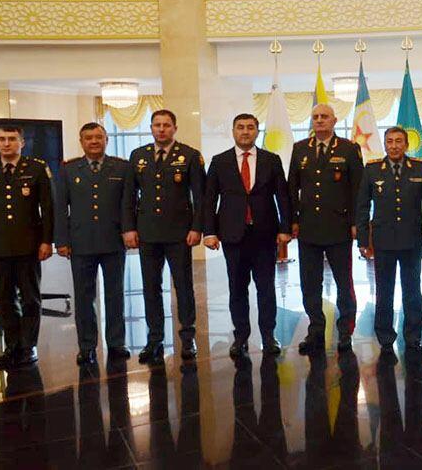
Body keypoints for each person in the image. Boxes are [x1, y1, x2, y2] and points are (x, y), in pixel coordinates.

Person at [203, 113, 292, 359]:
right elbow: (209, 200)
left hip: (264, 235)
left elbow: (283, 197)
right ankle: (240, 336)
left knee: (266, 288)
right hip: (233, 235)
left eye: (250, 127)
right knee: (237, 289)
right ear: (233, 131)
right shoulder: (219, 161)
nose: (245, 132)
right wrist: (209, 232)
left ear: (256, 131)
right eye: (240, 127)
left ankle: (268, 336)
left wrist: (285, 228)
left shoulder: (271, 160)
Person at [124, 109, 205, 364]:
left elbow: (200, 197)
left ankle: (188, 337)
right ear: (151, 128)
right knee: (150, 287)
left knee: (183, 286)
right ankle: (155, 338)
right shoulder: (138, 156)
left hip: (179, 233)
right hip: (147, 233)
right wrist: (129, 228)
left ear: (175, 128)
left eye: (166, 125)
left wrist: (197, 228)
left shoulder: (189, 155)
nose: (161, 129)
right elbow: (129, 196)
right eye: (157, 125)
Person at [0, 125, 54, 369]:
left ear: (22, 142)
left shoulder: (36, 168)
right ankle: (12, 346)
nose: (6, 143)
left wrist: (46, 240)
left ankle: (28, 346)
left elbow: (48, 208)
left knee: (30, 299)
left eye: (11, 139)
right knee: (5, 300)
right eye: (1, 139)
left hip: (29, 245)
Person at [55, 122, 133, 367]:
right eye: (88, 138)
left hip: (113, 240)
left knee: (115, 294)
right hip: (81, 242)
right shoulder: (68, 169)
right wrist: (62, 240)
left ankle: (117, 343)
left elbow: (128, 204)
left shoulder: (121, 167)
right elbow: (60, 207)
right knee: (84, 297)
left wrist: (128, 231)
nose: (94, 141)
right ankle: (87, 346)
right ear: (81, 142)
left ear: (106, 140)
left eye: (98, 137)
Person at [287, 103, 363, 355]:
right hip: (308, 228)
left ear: (334, 121)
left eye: (324, 117)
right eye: (316, 117)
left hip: (339, 228)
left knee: (344, 282)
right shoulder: (300, 149)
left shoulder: (348, 149)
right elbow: (291, 189)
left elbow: (358, 190)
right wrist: (293, 220)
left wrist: (356, 223)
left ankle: (345, 330)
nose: (319, 120)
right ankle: (316, 330)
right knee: (310, 283)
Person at [356, 126, 422, 356]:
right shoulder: (372, 169)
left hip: (412, 239)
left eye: (398, 141)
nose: (394, 146)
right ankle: (385, 337)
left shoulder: (419, 167)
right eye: (390, 141)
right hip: (384, 241)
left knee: (412, 290)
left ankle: (413, 336)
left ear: (406, 145)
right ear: (385, 144)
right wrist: (363, 239)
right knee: (384, 291)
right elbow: (362, 207)